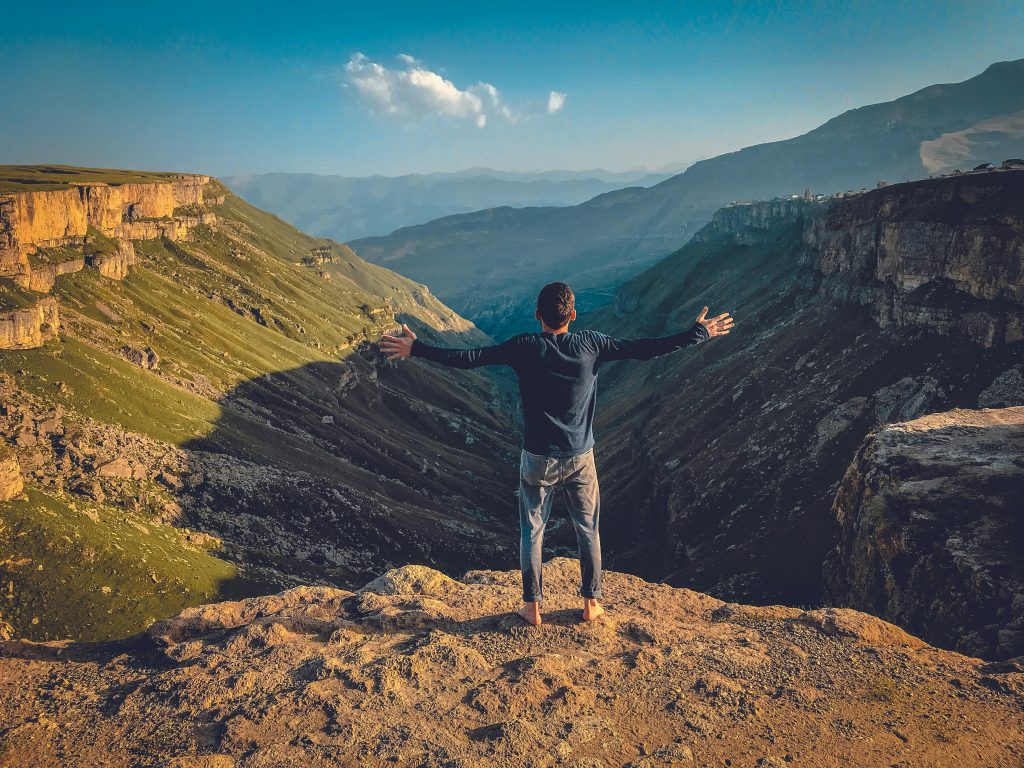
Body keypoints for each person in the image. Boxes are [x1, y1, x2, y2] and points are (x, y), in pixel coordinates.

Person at [378, 282, 734, 625]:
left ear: (537, 315)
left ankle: (532, 608)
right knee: (588, 529)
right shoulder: (593, 344)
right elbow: (646, 348)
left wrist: (417, 348)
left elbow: (471, 357)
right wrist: (697, 334)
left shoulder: (524, 346)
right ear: (574, 314)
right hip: (581, 457)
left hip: (537, 458)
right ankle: (591, 604)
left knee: (532, 531)